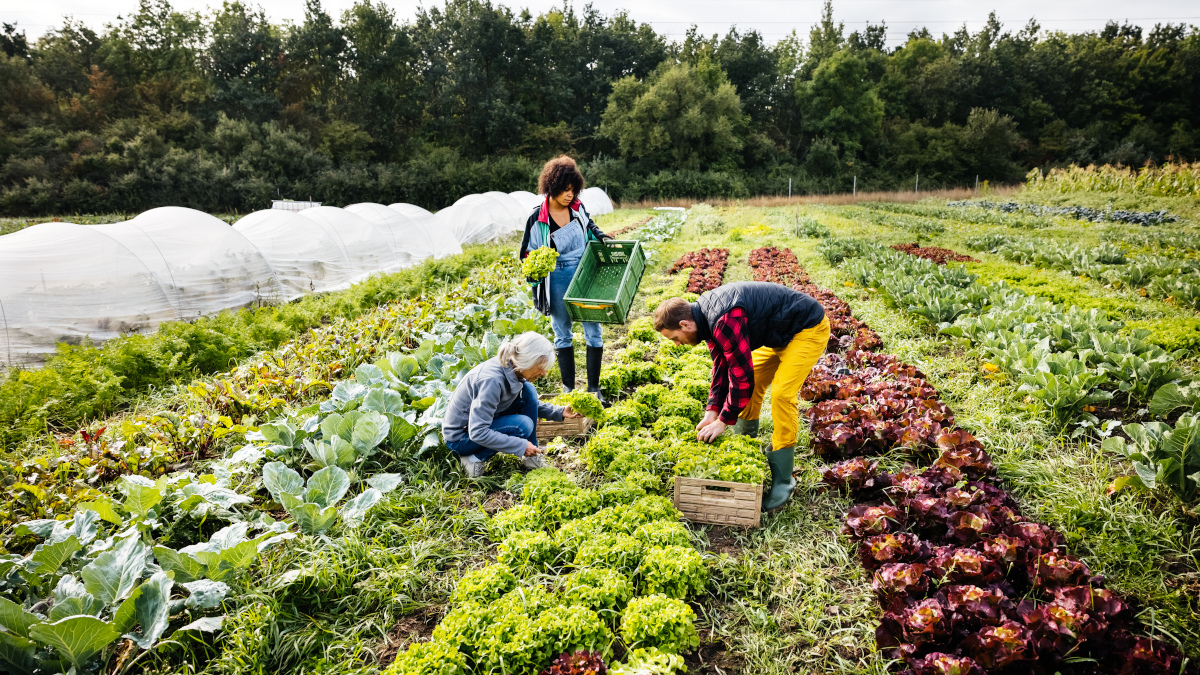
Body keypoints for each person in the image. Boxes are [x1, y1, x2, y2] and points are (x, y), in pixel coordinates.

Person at [653, 281, 831, 511]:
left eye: (674, 338)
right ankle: (746, 444)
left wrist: (724, 421)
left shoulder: (723, 319)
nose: (677, 344)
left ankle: (784, 480)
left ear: (685, 324)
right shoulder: (705, 319)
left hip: (806, 328)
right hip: (778, 333)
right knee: (753, 381)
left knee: (781, 394)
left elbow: (740, 377)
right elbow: (721, 366)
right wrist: (712, 412)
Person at [519, 156, 612, 400]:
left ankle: (594, 389)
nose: (570, 195)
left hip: (584, 271)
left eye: (573, 189)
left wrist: (600, 235)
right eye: (565, 190)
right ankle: (569, 389)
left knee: (593, 329)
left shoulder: (577, 208)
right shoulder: (536, 218)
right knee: (563, 332)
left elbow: (589, 224)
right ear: (551, 187)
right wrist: (535, 269)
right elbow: (526, 255)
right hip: (557, 276)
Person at [442, 332, 582, 478]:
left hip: (479, 425)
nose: (544, 373)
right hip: (461, 438)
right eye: (540, 367)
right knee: (522, 425)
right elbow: (478, 432)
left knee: (529, 391)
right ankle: (474, 459)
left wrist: (560, 411)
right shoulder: (491, 381)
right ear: (527, 361)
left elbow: (528, 403)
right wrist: (520, 446)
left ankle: (531, 456)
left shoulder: (513, 370)